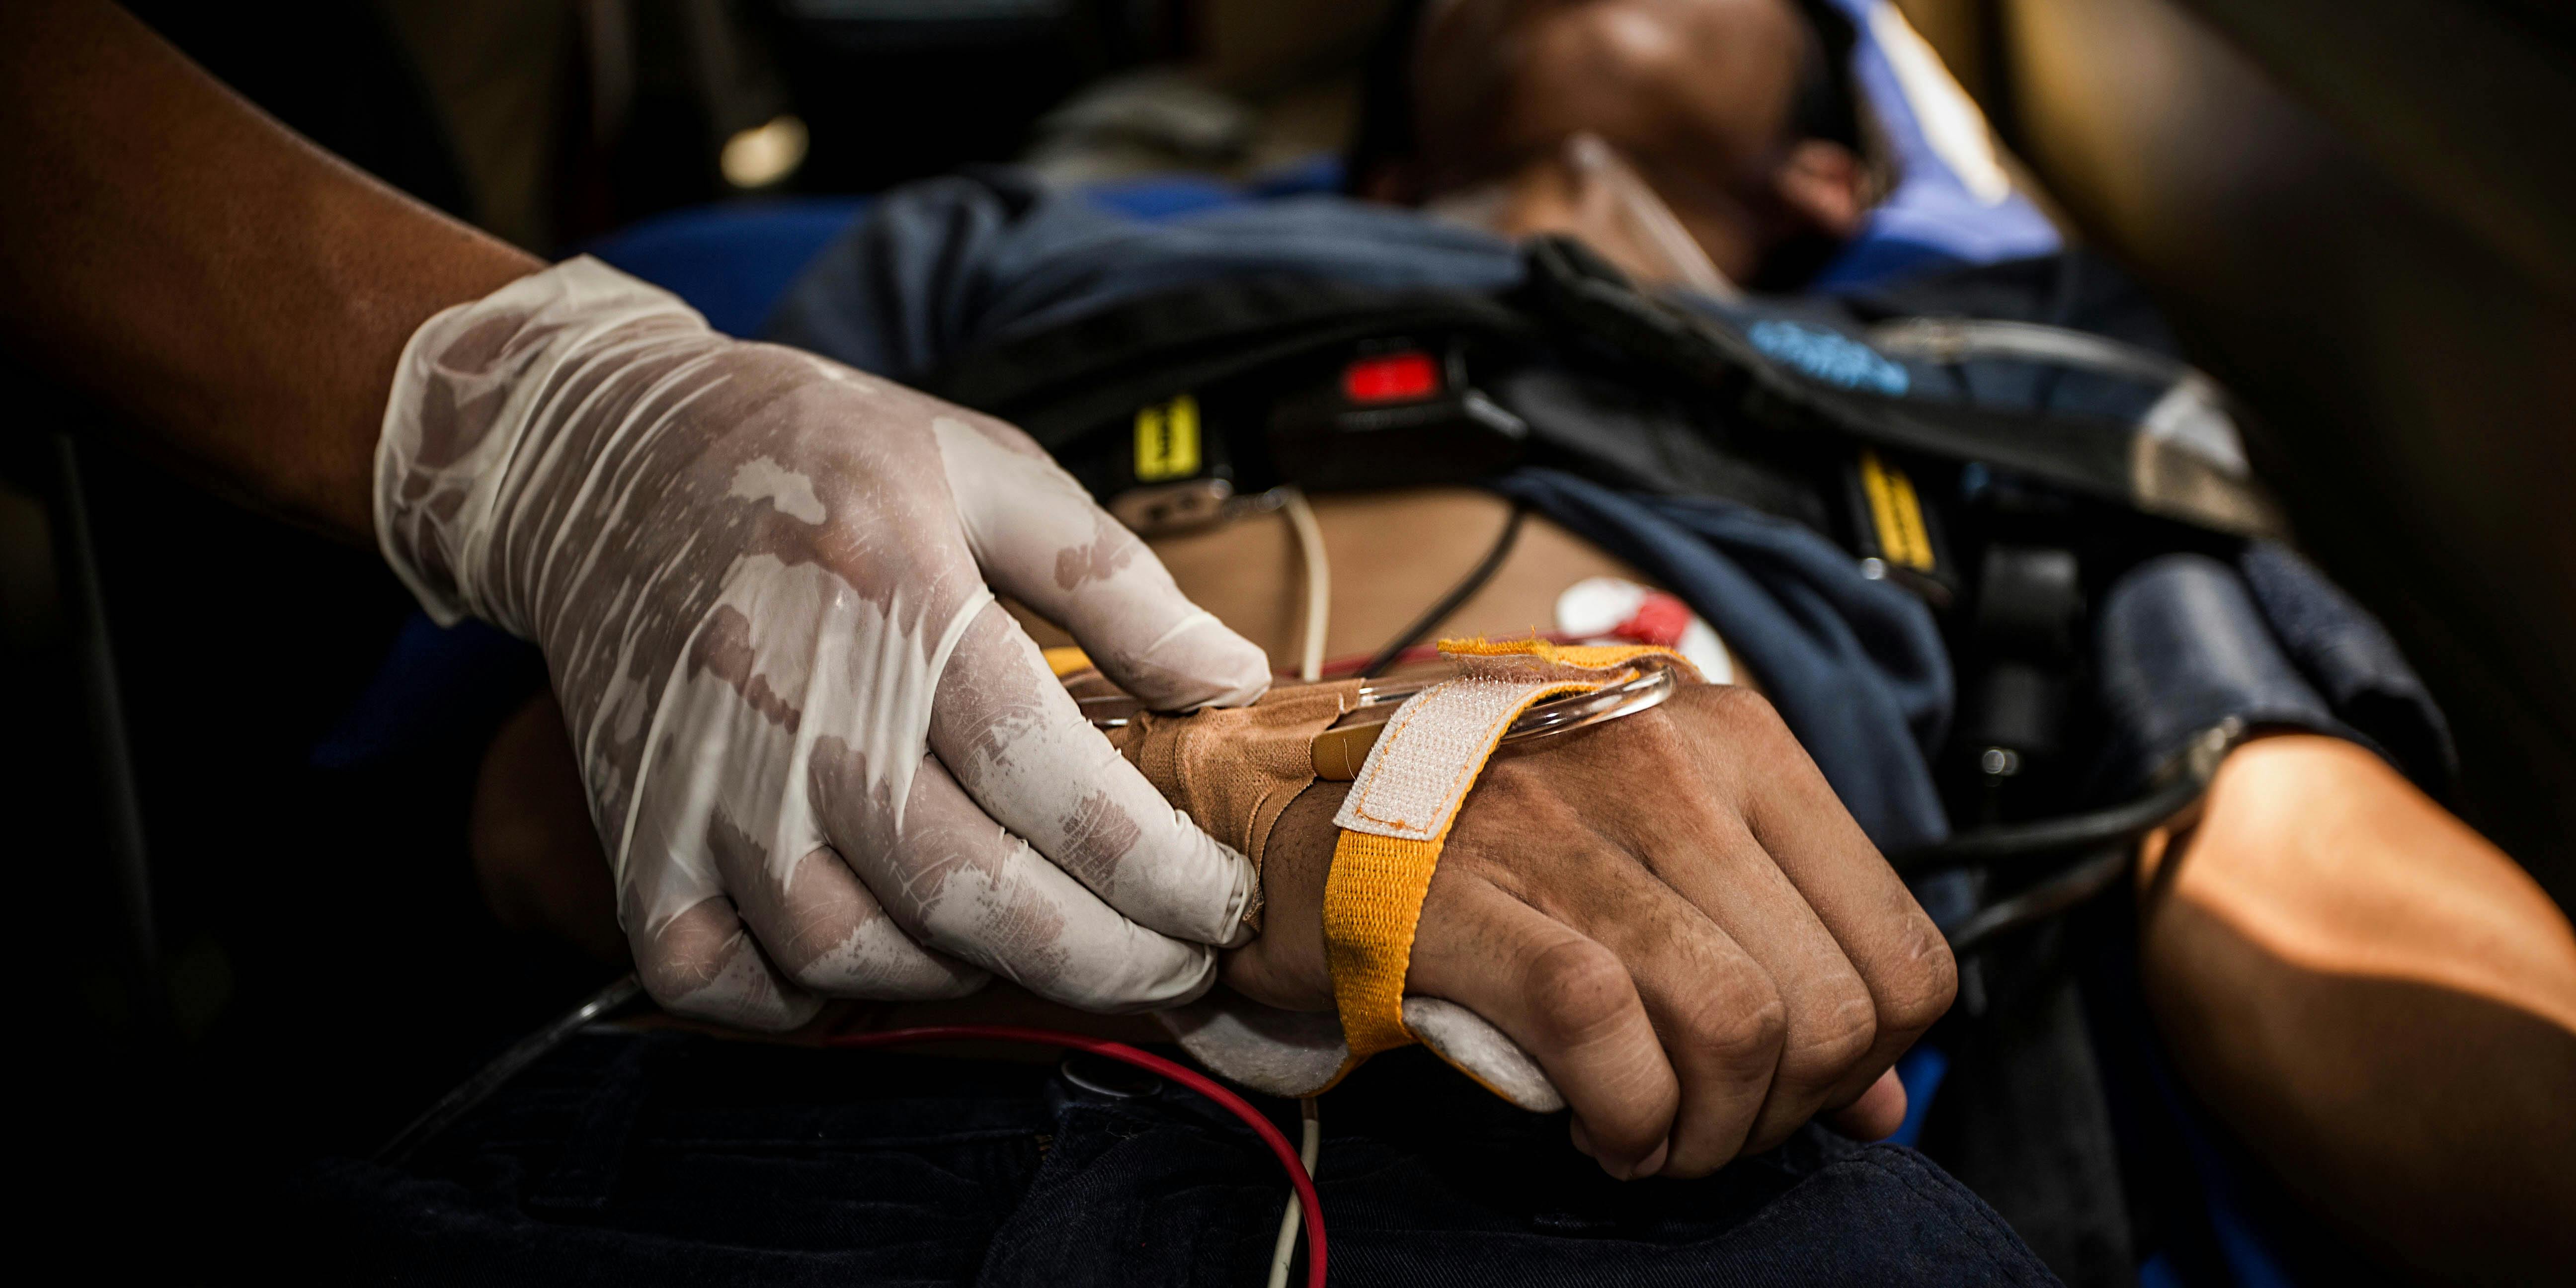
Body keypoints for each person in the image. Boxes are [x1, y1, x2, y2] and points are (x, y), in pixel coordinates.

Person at [3, 2, 2035, 1283]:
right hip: (734, 1098)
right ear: (1385, 151)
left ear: (1824, 176)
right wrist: (1264, 803)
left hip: (1617, 1210)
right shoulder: (1028, 251)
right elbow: (532, 810)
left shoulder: (2013, 416)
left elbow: (2304, 914)